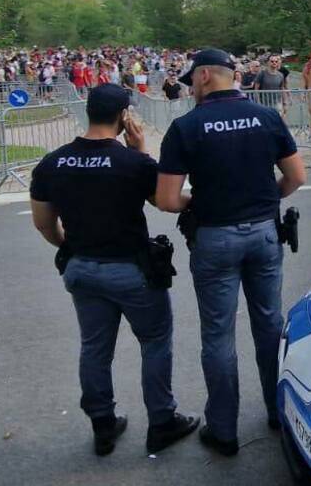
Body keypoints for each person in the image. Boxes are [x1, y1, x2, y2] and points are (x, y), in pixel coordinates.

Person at [28, 84, 199, 457]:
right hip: (132, 270)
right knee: (154, 343)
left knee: (94, 347)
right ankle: (162, 421)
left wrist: (72, 248)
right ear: (124, 116)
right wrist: (141, 152)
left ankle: (103, 424)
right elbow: (166, 202)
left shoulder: (52, 162)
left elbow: (43, 223)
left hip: (82, 269)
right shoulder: (133, 163)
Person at [155, 48, 306, 456]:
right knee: (269, 322)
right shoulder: (267, 117)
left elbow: (167, 199)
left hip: (215, 238)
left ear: (205, 76)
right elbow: (296, 176)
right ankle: (280, 411)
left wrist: (202, 204)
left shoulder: (186, 126)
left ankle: (223, 430)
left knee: (218, 334)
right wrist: (261, 201)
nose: (190, 88)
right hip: (263, 233)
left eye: (192, 81)